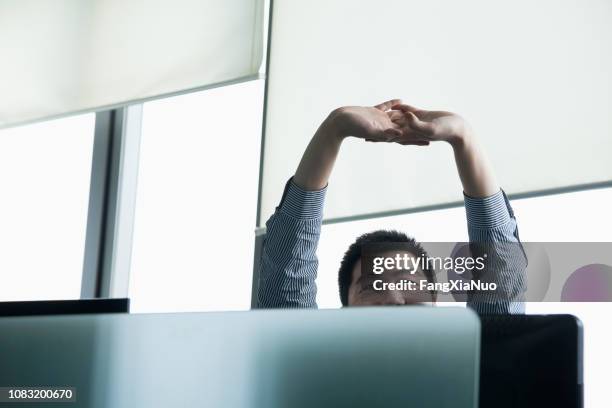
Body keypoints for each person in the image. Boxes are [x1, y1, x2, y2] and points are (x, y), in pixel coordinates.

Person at [257, 99, 526, 314]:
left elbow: (501, 279)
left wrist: (463, 137)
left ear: (434, 302)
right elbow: (286, 280)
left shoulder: (480, 367)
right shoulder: (308, 371)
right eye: (371, 288)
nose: (394, 299)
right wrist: (334, 128)